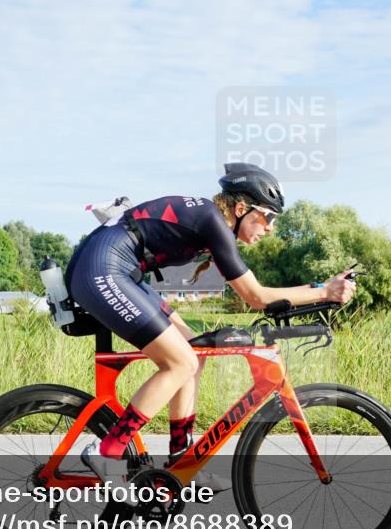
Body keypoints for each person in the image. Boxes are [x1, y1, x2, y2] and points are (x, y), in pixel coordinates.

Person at [65, 163, 356, 502]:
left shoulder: (213, 223)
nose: (271, 228)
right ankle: (108, 450)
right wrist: (324, 292)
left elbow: (255, 294)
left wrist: (320, 288)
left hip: (122, 271)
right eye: (268, 217)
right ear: (241, 208)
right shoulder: (213, 221)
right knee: (181, 363)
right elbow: (255, 297)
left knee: (192, 353)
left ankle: (181, 460)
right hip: (104, 269)